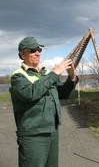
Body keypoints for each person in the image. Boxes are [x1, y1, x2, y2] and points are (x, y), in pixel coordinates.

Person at [9, 36, 78, 167]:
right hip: (32, 135)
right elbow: (30, 93)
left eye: (39, 49)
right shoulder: (18, 76)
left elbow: (62, 93)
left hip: (52, 131)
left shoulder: (45, 74)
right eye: (32, 50)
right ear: (22, 54)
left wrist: (72, 77)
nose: (37, 53)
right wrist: (55, 73)